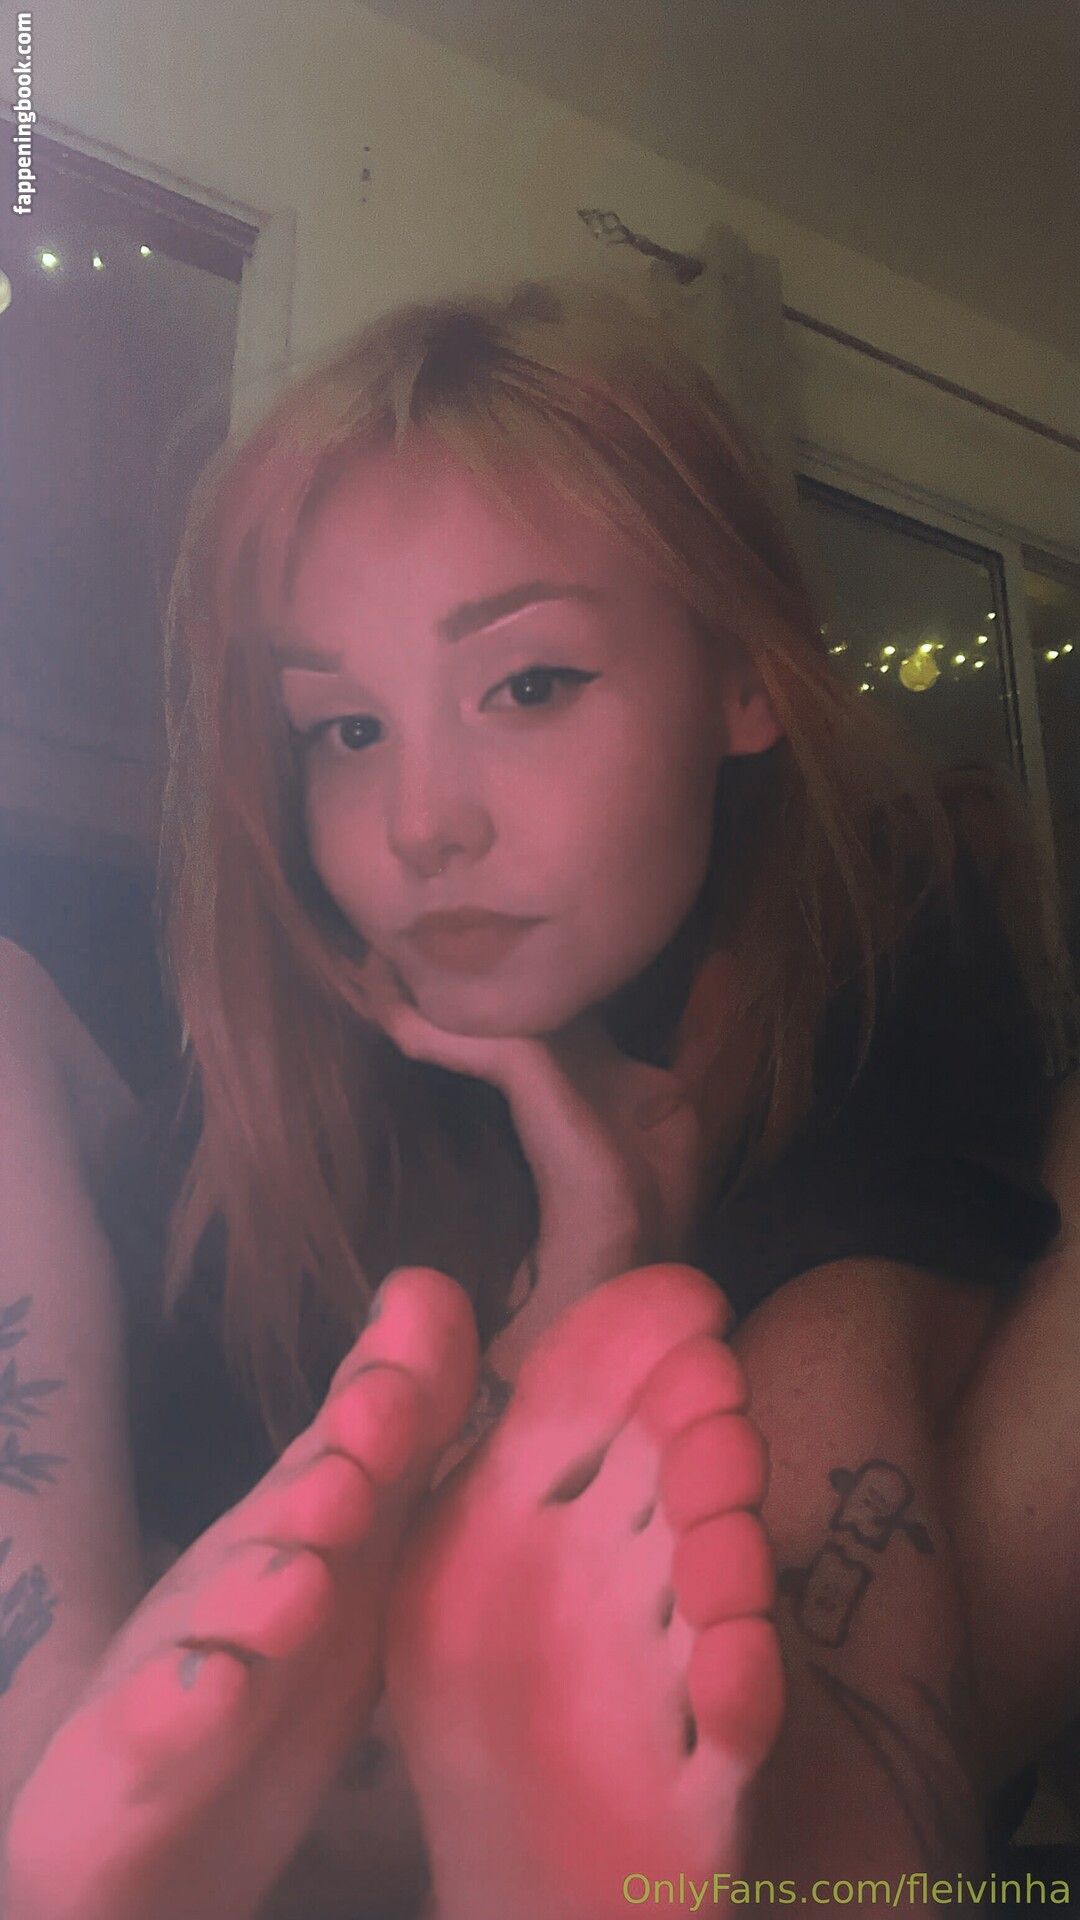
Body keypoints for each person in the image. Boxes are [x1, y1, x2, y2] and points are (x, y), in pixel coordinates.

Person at [1, 276, 1077, 1920]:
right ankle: (66, 1760)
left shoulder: (855, 935)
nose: (420, 824)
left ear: (743, 674)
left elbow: (841, 1484)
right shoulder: (284, 1031)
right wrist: (593, 1235)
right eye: (344, 728)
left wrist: (602, 1255)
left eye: (528, 685)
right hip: (143, 1684)